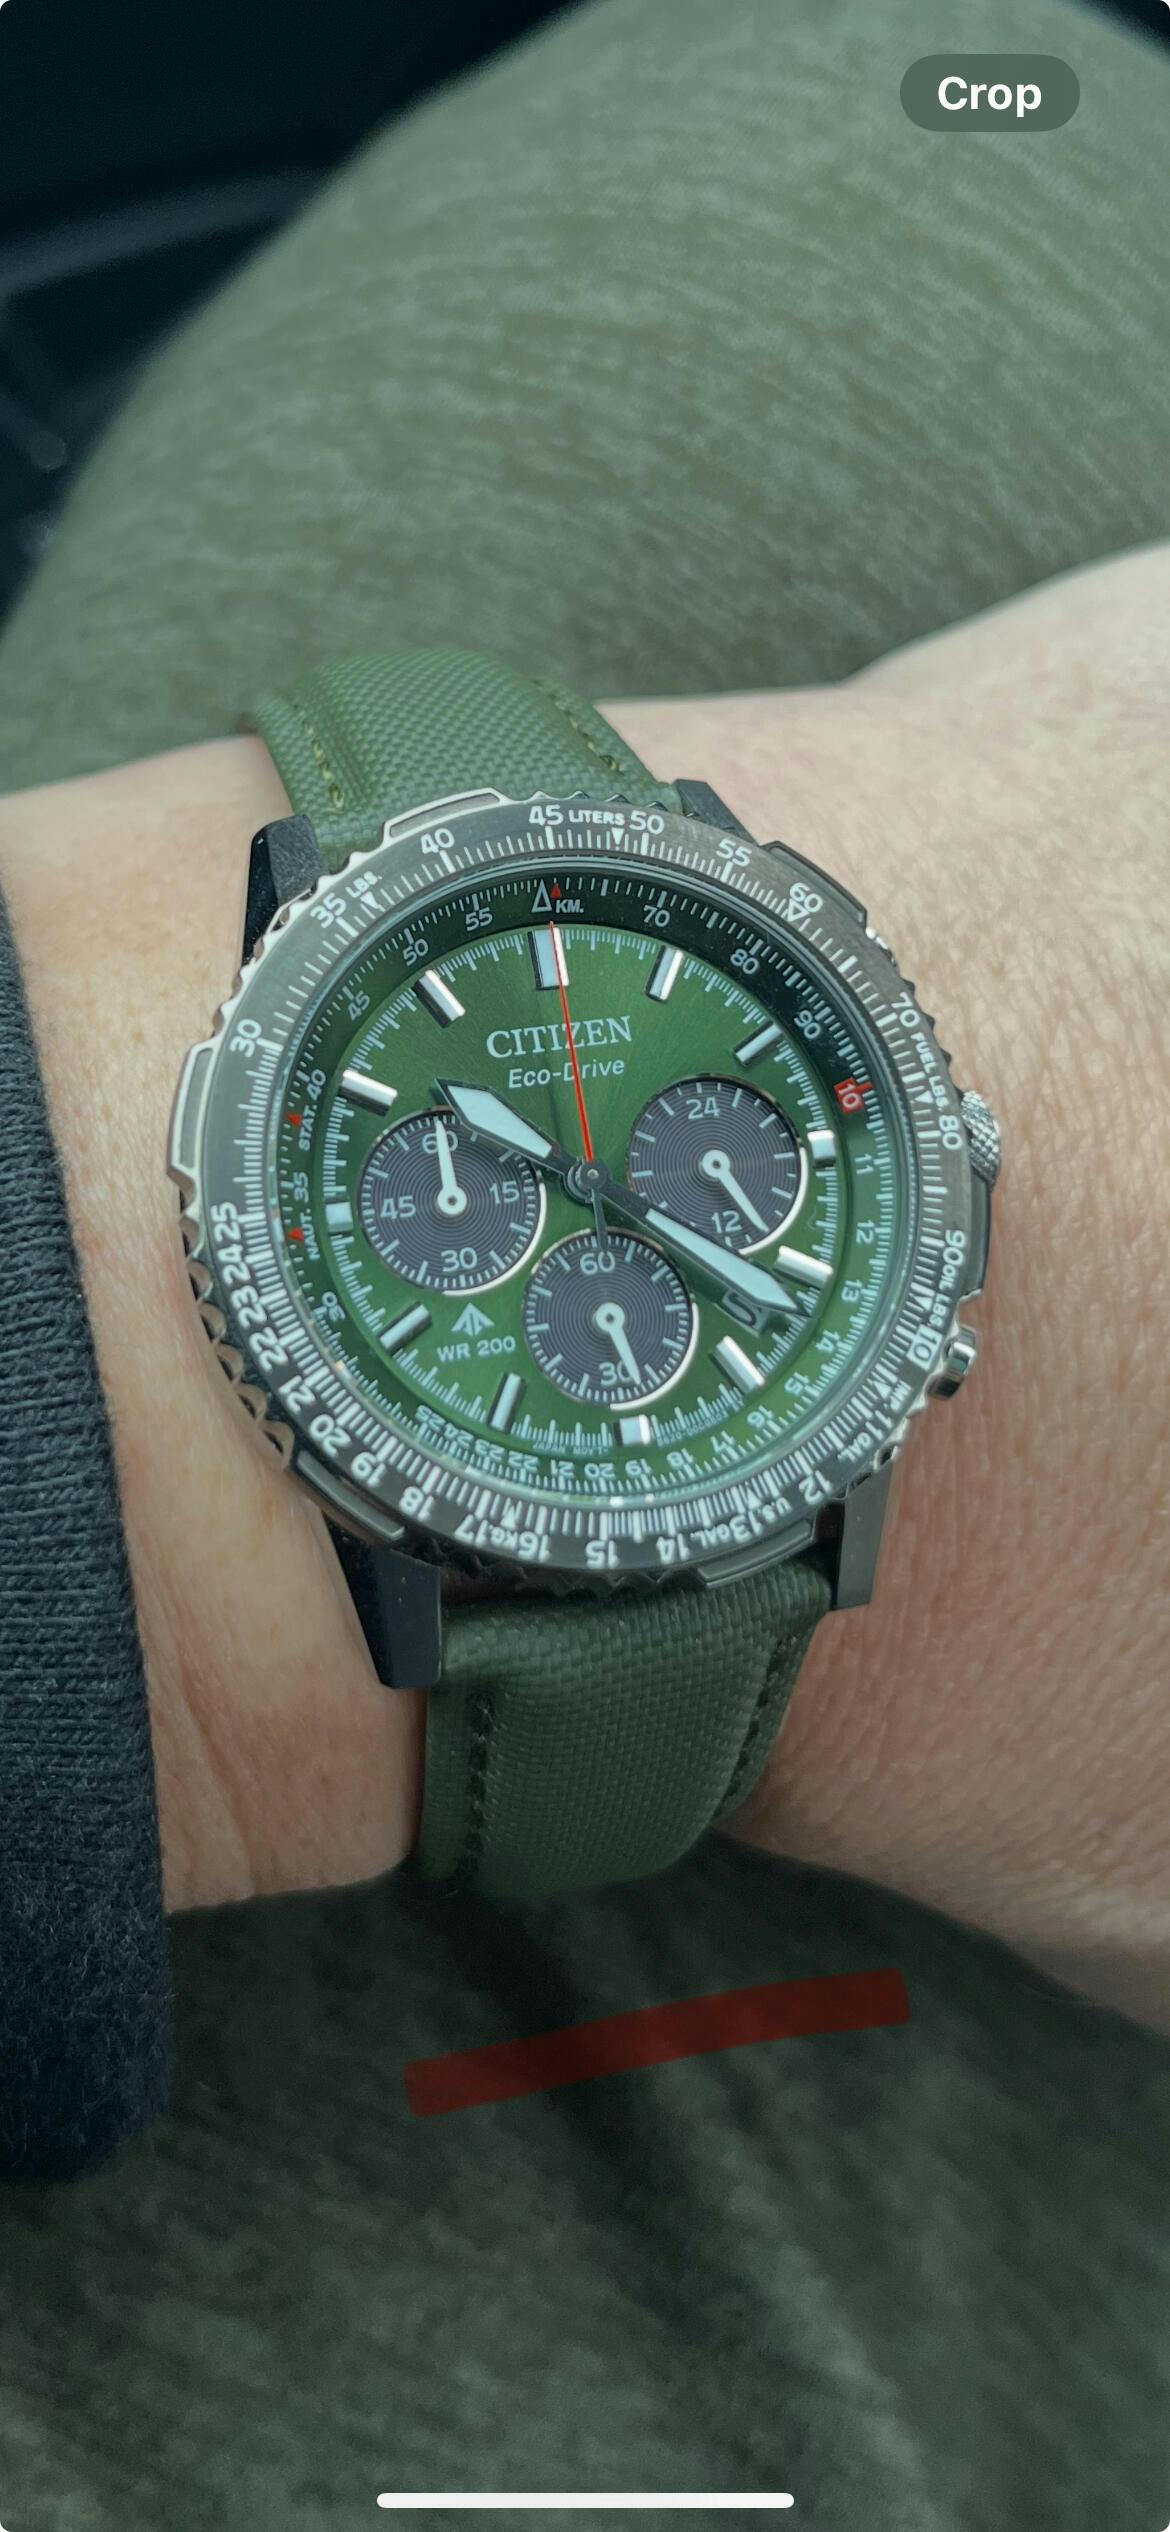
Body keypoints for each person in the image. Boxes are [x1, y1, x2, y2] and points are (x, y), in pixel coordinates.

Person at [0, 0, 1168, 2523]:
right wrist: (165, 1521)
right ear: (234, 1145)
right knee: (906, 95)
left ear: (940, 1166)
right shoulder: (269, 1145)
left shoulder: (862, 1219)